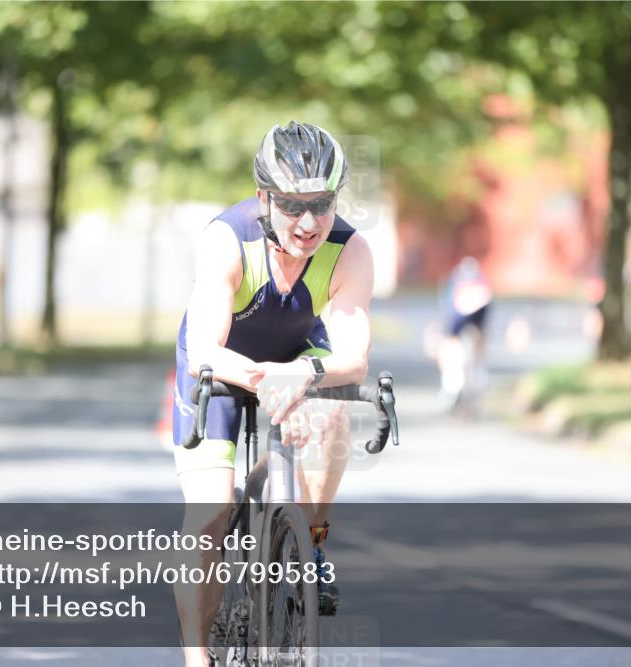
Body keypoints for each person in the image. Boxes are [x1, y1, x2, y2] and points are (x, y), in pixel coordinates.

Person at [171, 121, 373, 666]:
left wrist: (304, 380)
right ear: (263, 197)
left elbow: (352, 357)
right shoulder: (227, 239)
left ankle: (311, 543)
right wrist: (267, 381)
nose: (308, 222)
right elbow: (205, 353)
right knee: (209, 516)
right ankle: (197, 660)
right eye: (290, 204)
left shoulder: (350, 250)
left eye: (322, 203)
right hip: (221, 363)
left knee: (331, 418)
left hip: (297, 359)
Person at [436, 256, 492, 410]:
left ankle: (461, 380)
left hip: (467, 321)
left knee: (456, 344)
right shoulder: (462, 285)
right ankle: (457, 382)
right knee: (457, 347)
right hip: (463, 320)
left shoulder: (458, 284)